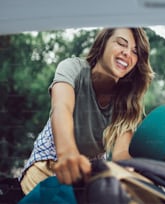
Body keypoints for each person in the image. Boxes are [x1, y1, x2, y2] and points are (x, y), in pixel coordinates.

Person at [19, 27, 154, 195]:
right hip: (47, 165)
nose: (127, 53)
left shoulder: (129, 101)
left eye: (135, 52)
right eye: (121, 43)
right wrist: (67, 153)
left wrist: (141, 175)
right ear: (103, 43)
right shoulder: (73, 68)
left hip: (87, 178)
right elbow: (62, 107)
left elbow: (121, 155)